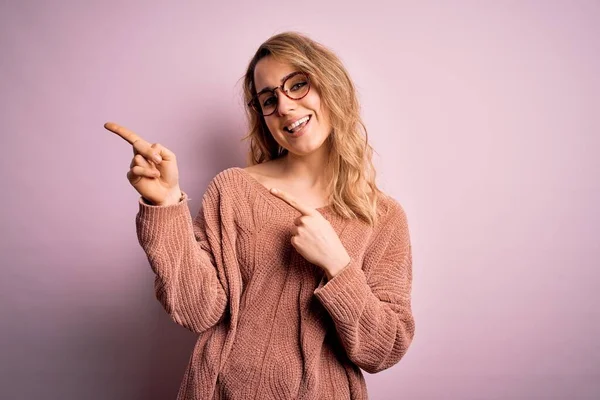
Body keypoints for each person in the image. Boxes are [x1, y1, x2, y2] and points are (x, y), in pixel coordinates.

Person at [105, 31, 415, 400]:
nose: (284, 106)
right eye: (269, 98)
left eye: (297, 85)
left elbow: (383, 350)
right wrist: (167, 204)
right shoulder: (233, 190)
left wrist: (338, 266)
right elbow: (197, 311)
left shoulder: (382, 216)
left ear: (331, 87)